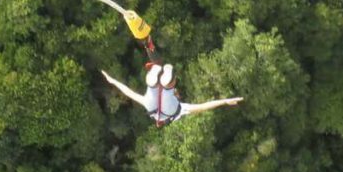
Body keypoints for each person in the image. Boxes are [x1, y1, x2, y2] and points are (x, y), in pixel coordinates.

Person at [101, 63, 243, 126]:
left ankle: (164, 77)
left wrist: (225, 101)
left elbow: (203, 107)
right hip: (151, 106)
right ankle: (155, 78)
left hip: (167, 108)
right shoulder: (174, 111)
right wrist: (112, 81)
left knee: (163, 88)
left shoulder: (180, 109)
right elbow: (128, 92)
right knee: (152, 87)